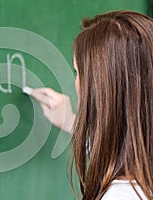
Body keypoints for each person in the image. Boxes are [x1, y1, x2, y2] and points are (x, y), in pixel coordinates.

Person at [30, 10, 153, 200]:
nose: (77, 83)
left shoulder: (122, 195)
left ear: (100, 89)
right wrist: (70, 121)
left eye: (78, 72)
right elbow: (122, 145)